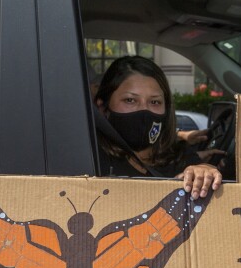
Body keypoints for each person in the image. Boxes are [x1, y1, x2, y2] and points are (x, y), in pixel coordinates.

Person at [95, 56, 222, 199]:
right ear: (102, 107)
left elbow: (200, 172)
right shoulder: (93, 159)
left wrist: (205, 171)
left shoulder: (178, 155)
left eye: (154, 102)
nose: (144, 110)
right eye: (130, 100)